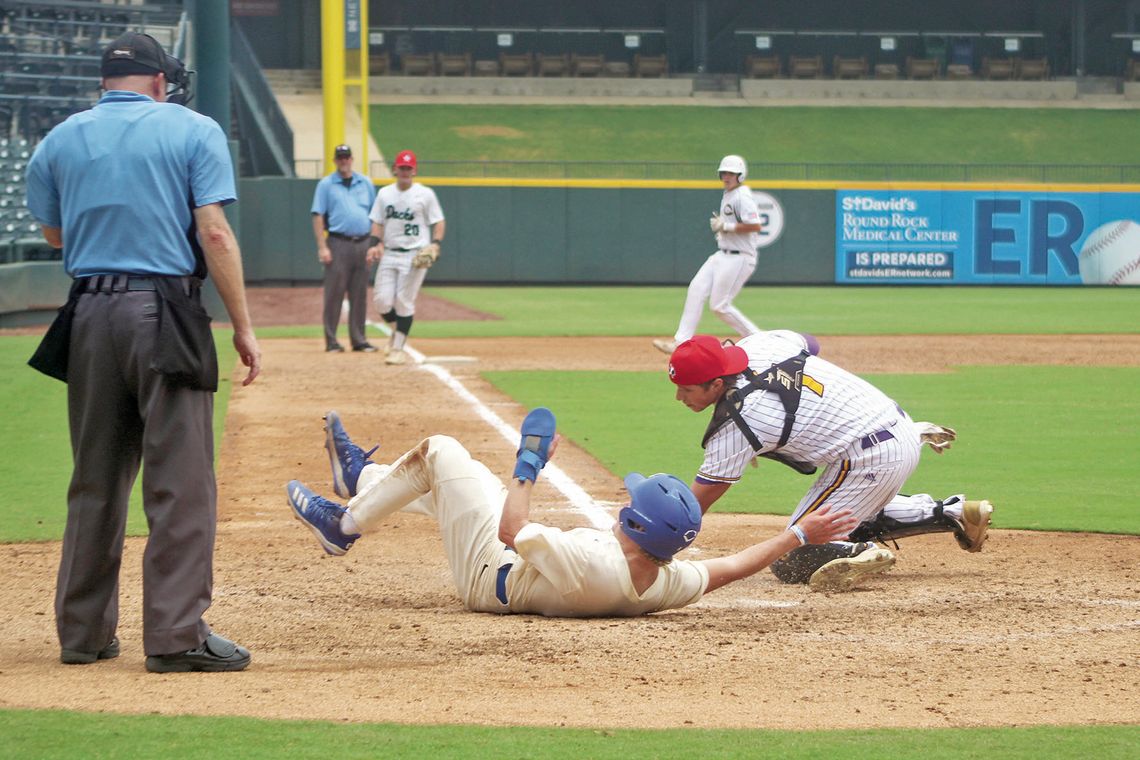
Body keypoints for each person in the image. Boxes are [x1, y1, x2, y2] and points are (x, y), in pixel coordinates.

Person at [25, 32, 261, 672]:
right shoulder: (192, 129)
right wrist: (242, 325)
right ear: (160, 81)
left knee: (95, 479)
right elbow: (213, 229)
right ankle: (177, 635)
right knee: (180, 482)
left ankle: (82, 634)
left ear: (106, 82)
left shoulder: (59, 139)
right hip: (163, 310)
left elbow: (53, 232)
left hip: (87, 313)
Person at [285, 408, 859, 617]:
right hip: (508, 572)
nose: (622, 501)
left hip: (488, 571)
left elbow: (511, 531)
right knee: (456, 484)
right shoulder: (661, 582)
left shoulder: (592, 561)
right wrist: (796, 535)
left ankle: (343, 525)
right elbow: (730, 567)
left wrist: (529, 464)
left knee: (442, 451)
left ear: (636, 526)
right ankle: (358, 478)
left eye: (631, 503)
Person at [664, 332, 993, 592]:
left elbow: (695, 506)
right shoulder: (760, 343)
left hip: (870, 458)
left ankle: (857, 550)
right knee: (834, 515)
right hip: (892, 425)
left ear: (718, 383)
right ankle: (953, 513)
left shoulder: (740, 423)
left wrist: (653, 549)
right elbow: (810, 343)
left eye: (688, 390)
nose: (680, 398)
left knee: (793, 558)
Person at [653, 155, 763, 355]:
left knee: (719, 306)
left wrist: (727, 226)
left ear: (740, 175)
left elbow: (756, 225)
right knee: (696, 289)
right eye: (724, 173)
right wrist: (725, 229)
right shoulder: (729, 194)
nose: (726, 176)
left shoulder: (742, 197)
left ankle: (760, 339)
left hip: (740, 257)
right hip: (723, 254)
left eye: (731, 173)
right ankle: (681, 343)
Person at [366, 149, 445, 365]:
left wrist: (435, 244)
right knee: (381, 302)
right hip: (390, 252)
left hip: (415, 255)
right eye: (402, 167)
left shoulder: (425, 194)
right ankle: (397, 331)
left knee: (404, 301)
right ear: (395, 169)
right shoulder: (384, 194)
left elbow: (438, 221)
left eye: (409, 168)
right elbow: (377, 221)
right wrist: (373, 245)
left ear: (415, 170)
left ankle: (398, 348)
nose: (405, 171)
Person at [310, 143, 378, 353]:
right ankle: (331, 340)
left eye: (347, 157)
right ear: (335, 160)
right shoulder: (326, 184)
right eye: (340, 157)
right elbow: (318, 215)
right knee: (334, 293)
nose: (344, 161)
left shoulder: (365, 182)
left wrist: (374, 244)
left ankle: (359, 340)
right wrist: (322, 246)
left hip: (363, 242)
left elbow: (376, 215)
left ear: (352, 158)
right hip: (338, 242)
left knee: (359, 293)